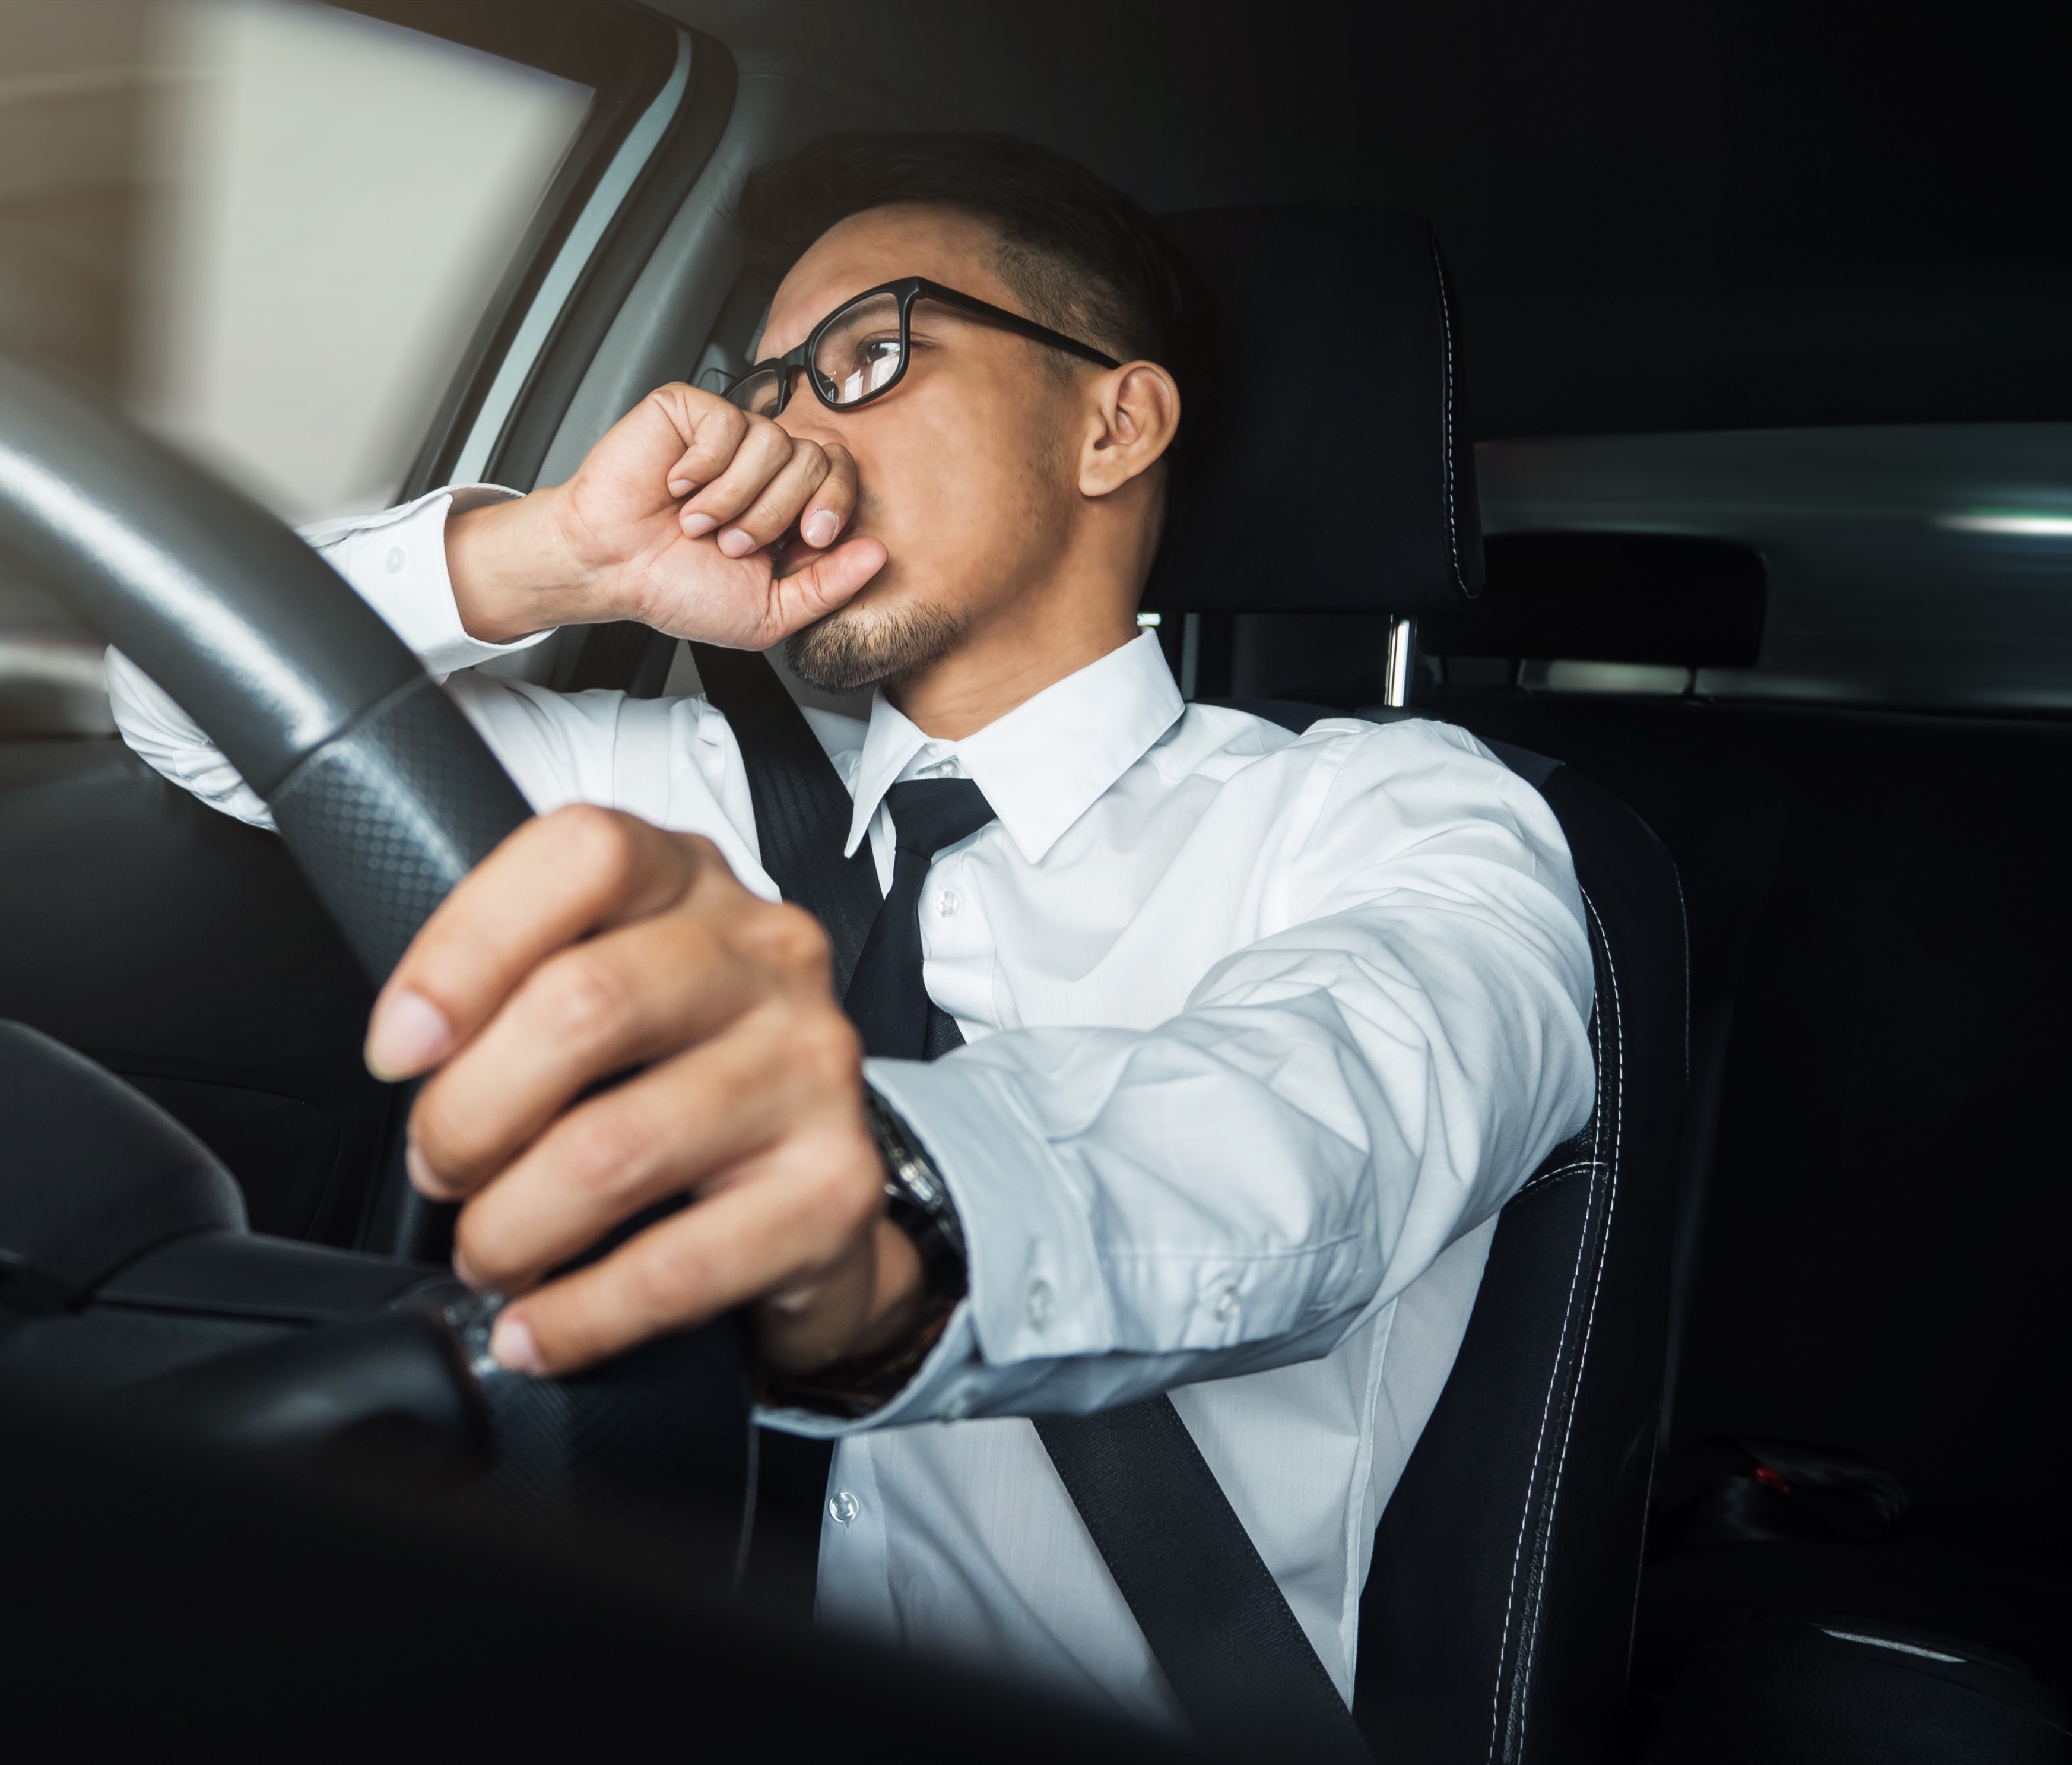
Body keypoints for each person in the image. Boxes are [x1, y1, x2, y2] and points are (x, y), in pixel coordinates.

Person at [110, 132, 1594, 1727]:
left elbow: (1328, 1123)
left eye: (864, 356)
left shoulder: (1393, 816)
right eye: (763, 389)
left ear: (1114, 421)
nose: (786, 434)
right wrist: (564, 555)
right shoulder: (657, 786)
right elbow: (189, 704)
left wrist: (881, 1208)